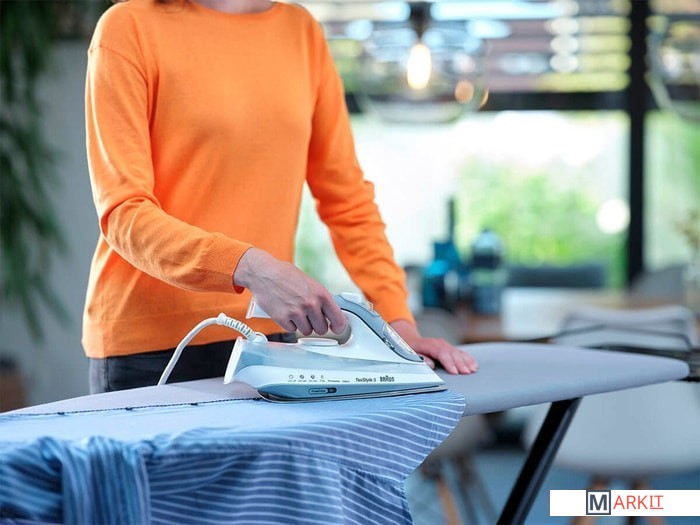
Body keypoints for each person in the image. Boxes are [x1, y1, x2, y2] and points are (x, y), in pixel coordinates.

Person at [84, 0, 477, 394]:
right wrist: (252, 269)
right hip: (148, 346)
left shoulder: (301, 32)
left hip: (267, 336)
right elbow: (124, 213)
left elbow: (347, 200)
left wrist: (398, 324)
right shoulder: (130, 27)